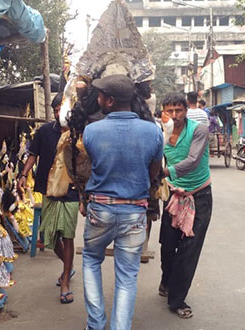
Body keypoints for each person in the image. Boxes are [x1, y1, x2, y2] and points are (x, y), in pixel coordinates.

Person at [81, 74, 163, 330]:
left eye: (100, 95)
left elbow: (92, 166)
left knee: (91, 260)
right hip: (134, 212)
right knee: (127, 277)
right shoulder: (153, 131)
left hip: (100, 210)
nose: (97, 98)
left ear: (109, 101)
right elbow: (154, 171)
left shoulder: (91, 131)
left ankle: (95, 324)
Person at [17, 94, 80, 305]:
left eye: (61, 109)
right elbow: (33, 154)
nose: (57, 113)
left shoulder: (78, 133)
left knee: (68, 235)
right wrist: (23, 174)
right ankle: (68, 268)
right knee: (51, 238)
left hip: (71, 190)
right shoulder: (44, 131)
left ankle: (65, 284)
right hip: (48, 189)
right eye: (55, 109)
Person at [159, 92, 212, 320]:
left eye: (178, 110)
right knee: (167, 246)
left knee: (189, 249)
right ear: (163, 112)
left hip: (199, 195)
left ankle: (177, 300)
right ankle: (166, 281)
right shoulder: (160, 132)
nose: (174, 115)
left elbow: (192, 161)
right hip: (172, 195)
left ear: (186, 110)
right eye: (169, 111)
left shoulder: (198, 130)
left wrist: (164, 172)